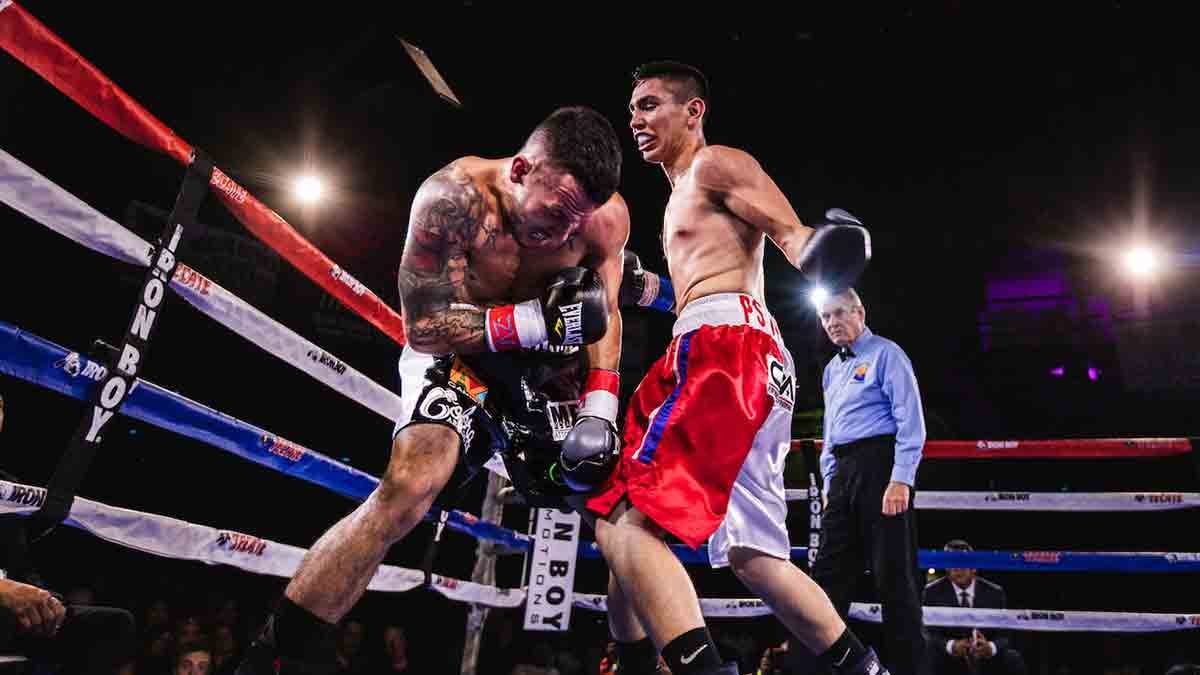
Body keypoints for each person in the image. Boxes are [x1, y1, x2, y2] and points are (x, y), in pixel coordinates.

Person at [236, 105, 630, 673]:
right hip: (460, 359)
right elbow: (423, 327)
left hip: (546, 376)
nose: (565, 232)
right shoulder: (453, 199)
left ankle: (642, 659)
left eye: (577, 221)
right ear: (521, 170)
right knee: (409, 486)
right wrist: (532, 322)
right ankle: (271, 660)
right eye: (556, 212)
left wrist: (601, 407)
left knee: (621, 509)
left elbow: (604, 314)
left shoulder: (603, 220)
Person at [584, 61, 880, 675]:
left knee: (622, 522)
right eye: (633, 108)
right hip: (751, 358)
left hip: (721, 352)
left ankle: (662, 664)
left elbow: (792, 236)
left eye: (650, 104)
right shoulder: (680, 197)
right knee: (755, 556)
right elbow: (709, 279)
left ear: (693, 111)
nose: (636, 119)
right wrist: (649, 291)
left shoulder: (713, 163)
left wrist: (822, 252)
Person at [811, 287, 928, 675]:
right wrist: (829, 483)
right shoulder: (832, 369)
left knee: (894, 578)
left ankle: (909, 669)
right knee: (827, 575)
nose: (831, 323)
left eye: (838, 314)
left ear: (859, 312)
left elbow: (911, 421)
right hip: (842, 475)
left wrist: (901, 479)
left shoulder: (887, 354)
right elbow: (831, 432)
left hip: (881, 467)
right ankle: (819, 668)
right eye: (825, 317)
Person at [923, 540, 1027, 675]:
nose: (957, 568)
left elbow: (1004, 634)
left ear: (974, 566)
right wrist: (951, 645)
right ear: (946, 567)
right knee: (929, 657)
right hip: (948, 658)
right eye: (951, 562)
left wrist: (990, 647)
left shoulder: (994, 592)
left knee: (1012, 658)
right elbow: (928, 633)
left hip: (985, 657)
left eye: (962, 561)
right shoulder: (932, 592)